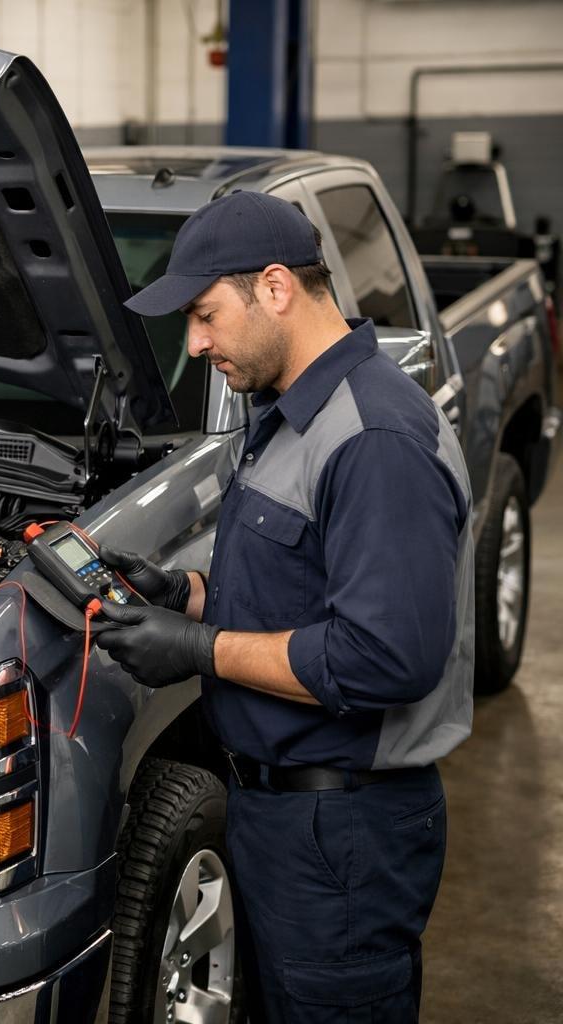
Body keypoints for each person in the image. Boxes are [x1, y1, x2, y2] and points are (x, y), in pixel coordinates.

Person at [93, 190, 474, 1022]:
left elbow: (385, 658)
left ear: (274, 288)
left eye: (204, 315)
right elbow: (306, 591)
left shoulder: (373, 440)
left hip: (342, 835)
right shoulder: (289, 416)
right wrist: (187, 595)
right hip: (282, 817)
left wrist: (198, 648)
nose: (194, 345)